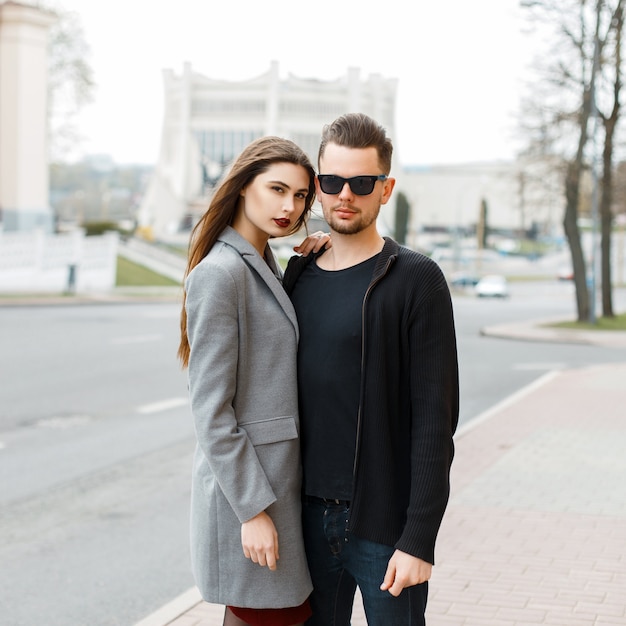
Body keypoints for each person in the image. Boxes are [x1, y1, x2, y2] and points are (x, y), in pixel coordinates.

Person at [283, 113, 459, 626]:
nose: (345, 195)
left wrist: (419, 539)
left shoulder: (417, 280)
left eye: (362, 183)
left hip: (385, 528)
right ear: (318, 185)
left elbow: (435, 421)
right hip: (306, 521)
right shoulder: (297, 276)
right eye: (332, 182)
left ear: (386, 189)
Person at [177, 136, 328, 626]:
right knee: (268, 616)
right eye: (277, 189)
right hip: (251, 493)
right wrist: (252, 511)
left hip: (276, 484)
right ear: (243, 187)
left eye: (301, 195)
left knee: (274, 615)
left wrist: (306, 264)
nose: (289, 206)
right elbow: (211, 411)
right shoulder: (220, 274)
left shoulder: (261, 262)